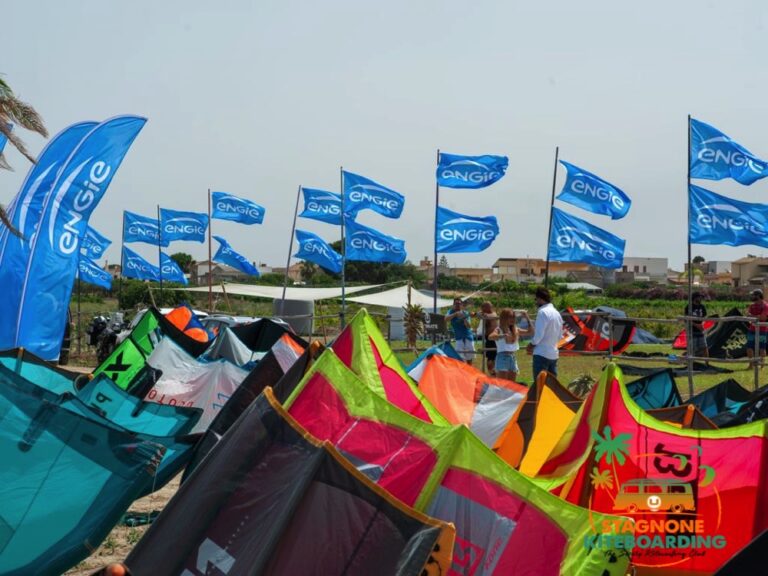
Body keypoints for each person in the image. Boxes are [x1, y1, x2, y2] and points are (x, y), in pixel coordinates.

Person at [526, 287, 563, 381]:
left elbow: (538, 335)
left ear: (539, 298)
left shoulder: (542, 312)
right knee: (551, 386)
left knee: (539, 385)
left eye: (536, 299)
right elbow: (560, 336)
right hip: (553, 354)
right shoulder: (557, 313)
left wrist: (531, 345)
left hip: (541, 354)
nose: (536, 302)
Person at [488, 308, 533, 381]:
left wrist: (527, 317)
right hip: (502, 357)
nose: (512, 319)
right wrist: (502, 336)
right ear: (504, 318)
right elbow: (490, 337)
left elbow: (531, 332)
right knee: (503, 384)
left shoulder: (515, 329)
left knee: (512, 384)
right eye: (510, 317)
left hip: (512, 357)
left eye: (513, 317)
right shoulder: (499, 329)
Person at [446, 297, 475, 365]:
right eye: (456, 303)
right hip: (458, 339)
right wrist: (455, 314)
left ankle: (469, 371)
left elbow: (468, 326)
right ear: (453, 304)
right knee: (459, 359)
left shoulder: (465, 313)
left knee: (469, 359)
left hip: (468, 338)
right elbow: (446, 319)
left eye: (459, 303)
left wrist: (464, 318)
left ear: (461, 305)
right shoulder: (450, 312)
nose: (458, 305)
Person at [475, 301, 499, 375]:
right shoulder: (485, 314)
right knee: (490, 357)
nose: (490, 307)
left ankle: (494, 371)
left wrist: (479, 314)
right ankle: (491, 372)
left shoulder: (493, 314)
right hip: (489, 338)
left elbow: (488, 316)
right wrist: (477, 313)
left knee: (495, 356)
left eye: (490, 306)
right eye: (483, 307)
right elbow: (478, 315)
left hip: (496, 338)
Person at [684, 292, 709, 360]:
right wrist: (696, 325)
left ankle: (707, 363)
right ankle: (691, 363)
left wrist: (702, 324)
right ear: (695, 298)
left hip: (700, 331)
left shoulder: (702, 307)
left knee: (704, 347)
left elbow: (705, 317)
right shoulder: (688, 307)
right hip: (691, 331)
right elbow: (686, 319)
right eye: (699, 297)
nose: (701, 298)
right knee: (692, 348)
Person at [747, 288, 768, 367]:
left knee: (762, 348)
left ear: (758, 296)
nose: (752, 297)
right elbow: (748, 316)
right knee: (749, 347)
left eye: (753, 295)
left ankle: (762, 365)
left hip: (762, 330)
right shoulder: (752, 306)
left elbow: (763, 318)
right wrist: (757, 317)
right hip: (752, 330)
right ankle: (751, 365)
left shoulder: (765, 306)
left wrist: (752, 316)